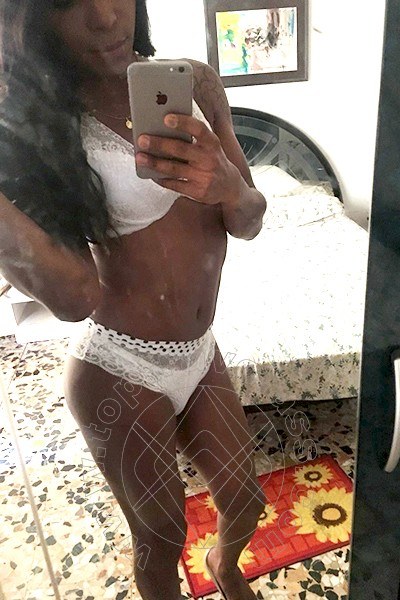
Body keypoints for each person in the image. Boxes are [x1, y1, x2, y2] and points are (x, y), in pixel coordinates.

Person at [0, 2, 267, 599]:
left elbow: (249, 219)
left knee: (246, 500)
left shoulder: (196, 83)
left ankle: (225, 567)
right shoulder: (43, 125)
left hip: (199, 352)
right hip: (119, 366)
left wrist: (228, 185)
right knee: (161, 536)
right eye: (69, 1)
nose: (104, 16)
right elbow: (73, 297)